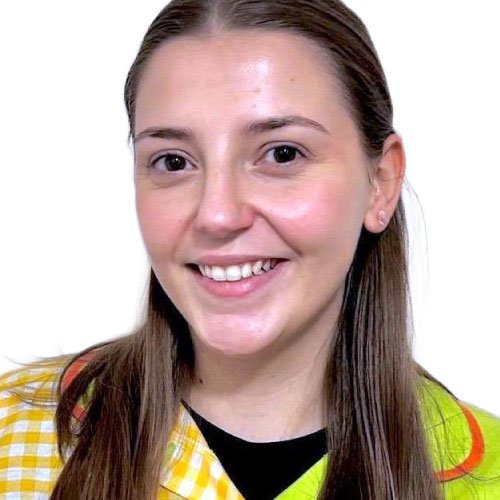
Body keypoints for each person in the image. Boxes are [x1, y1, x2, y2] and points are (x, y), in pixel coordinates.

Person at [0, 0, 499, 499]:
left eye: (282, 154)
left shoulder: (487, 477)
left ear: (381, 183)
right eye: (173, 161)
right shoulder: (14, 434)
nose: (217, 214)